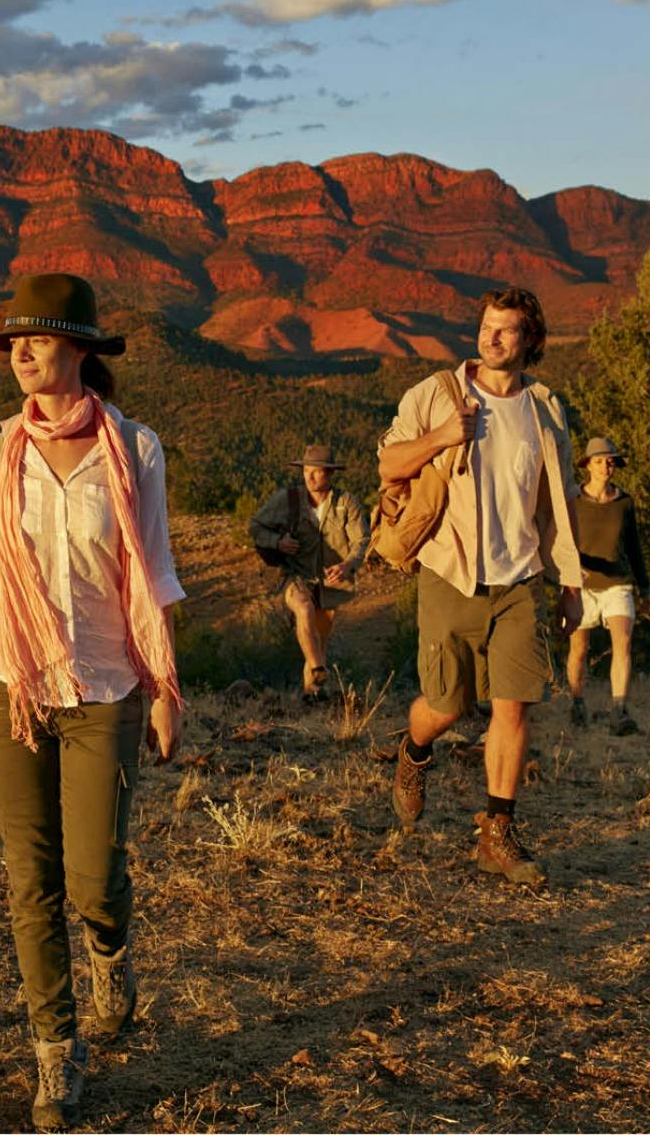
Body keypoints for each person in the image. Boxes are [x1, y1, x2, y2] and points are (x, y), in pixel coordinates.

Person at [0, 273, 185, 1132]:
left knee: (92, 876)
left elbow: (152, 577)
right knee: (29, 882)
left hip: (105, 684)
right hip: (12, 683)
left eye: (37, 340)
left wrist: (163, 687)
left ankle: (110, 948)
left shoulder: (136, 450)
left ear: (80, 350)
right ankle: (55, 1051)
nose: (21, 354)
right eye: (13, 344)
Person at [377, 286, 583, 887]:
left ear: (530, 341)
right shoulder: (436, 394)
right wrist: (442, 436)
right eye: (486, 325)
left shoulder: (545, 409)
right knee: (448, 705)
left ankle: (497, 834)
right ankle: (413, 752)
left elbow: (559, 504)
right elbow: (389, 466)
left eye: (506, 329)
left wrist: (569, 582)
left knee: (515, 705)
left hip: (521, 578)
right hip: (451, 572)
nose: (491, 337)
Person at [249, 443, 368, 699]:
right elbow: (256, 527)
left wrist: (347, 565)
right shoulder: (288, 500)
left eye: (316, 472)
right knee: (303, 608)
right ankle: (318, 670)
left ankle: (311, 695)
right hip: (293, 576)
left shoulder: (347, 504)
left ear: (331, 474)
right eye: (306, 472)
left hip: (330, 584)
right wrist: (277, 543)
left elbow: (361, 541)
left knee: (317, 641)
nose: (309, 477)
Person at [566, 436, 650, 737]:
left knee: (623, 643)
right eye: (600, 461)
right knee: (579, 648)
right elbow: (558, 540)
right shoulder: (572, 500)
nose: (606, 466)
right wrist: (569, 570)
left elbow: (634, 544)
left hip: (618, 582)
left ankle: (619, 711)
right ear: (587, 465)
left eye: (610, 461)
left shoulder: (624, 502)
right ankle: (577, 702)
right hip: (581, 586)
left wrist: (644, 583)